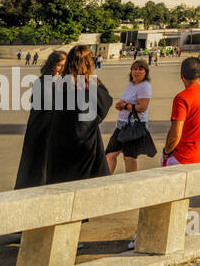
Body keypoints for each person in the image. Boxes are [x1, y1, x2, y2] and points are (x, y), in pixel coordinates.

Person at [44, 45, 113, 185]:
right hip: (85, 144)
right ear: (89, 62)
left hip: (60, 142)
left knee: (61, 185)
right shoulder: (91, 85)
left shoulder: (59, 83)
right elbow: (104, 105)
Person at [14, 50, 67, 190]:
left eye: (64, 65)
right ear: (51, 64)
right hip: (42, 127)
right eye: (59, 65)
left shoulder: (65, 81)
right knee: (39, 162)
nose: (61, 68)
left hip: (54, 128)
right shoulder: (43, 81)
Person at [162, 57, 200, 168]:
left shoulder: (182, 98)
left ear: (181, 75)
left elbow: (175, 134)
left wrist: (166, 152)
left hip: (183, 157)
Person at [105, 59, 157, 174]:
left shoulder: (145, 86)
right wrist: (120, 105)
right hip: (121, 124)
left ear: (145, 72)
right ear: (131, 71)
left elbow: (142, 107)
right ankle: (106, 180)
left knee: (129, 156)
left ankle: (130, 181)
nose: (137, 71)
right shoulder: (130, 85)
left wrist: (125, 106)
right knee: (110, 154)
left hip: (133, 125)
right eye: (134, 69)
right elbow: (126, 101)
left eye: (140, 69)